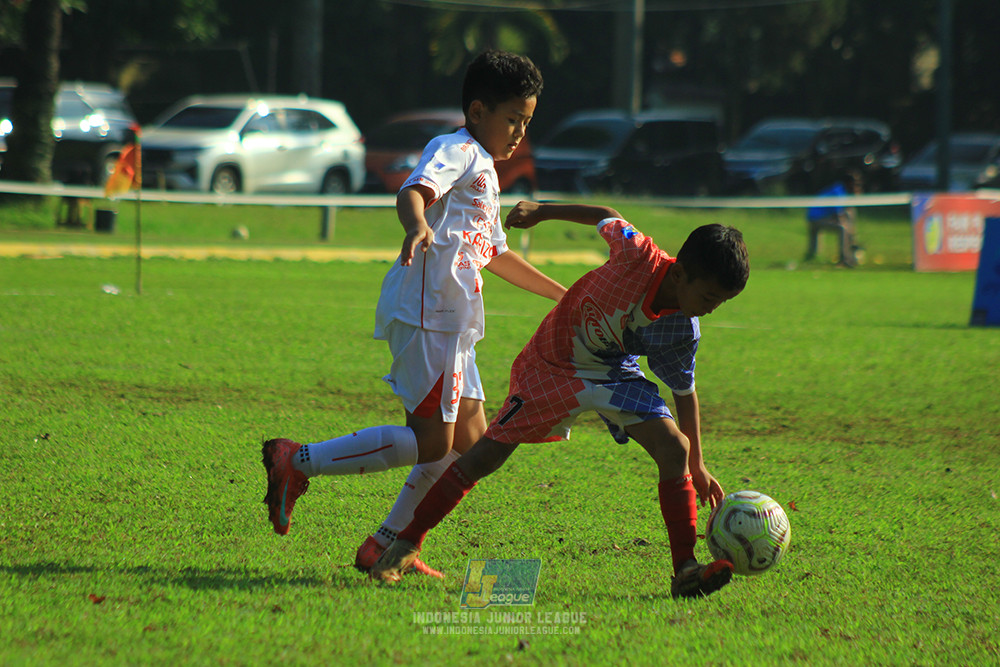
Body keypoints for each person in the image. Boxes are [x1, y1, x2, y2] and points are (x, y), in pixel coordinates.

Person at [261, 51, 566, 578]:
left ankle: (386, 545)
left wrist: (564, 296)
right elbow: (414, 190)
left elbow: (495, 253)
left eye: (527, 121)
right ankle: (296, 460)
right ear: (477, 110)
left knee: (469, 447)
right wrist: (416, 225)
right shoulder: (456, 149)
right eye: (513, 118)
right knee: (433, 443)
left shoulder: (488, 172)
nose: (520, 131)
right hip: (429, 315)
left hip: (454, 324)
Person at [371, 201, 751, 599]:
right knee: (486, 455)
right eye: (709, 296)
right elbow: (605, 212)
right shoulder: (637, 253)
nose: (710, 309)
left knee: (675, 447)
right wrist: (541, 211)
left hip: (613, 372)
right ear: (680, 273)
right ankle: (405, 543)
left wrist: (698, 463)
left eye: (720, 302)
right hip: (553, 361)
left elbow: (684, 392)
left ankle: (685, 570)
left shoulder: (683, 331)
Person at [805, 172, 862, 267]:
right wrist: (850, 231)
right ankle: (844, 259)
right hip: (816, 218)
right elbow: (838, 214)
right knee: (843, 229)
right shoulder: (838, 191)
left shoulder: (839, 190)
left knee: (849, 215)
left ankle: (849, 251)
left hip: (818, 216)